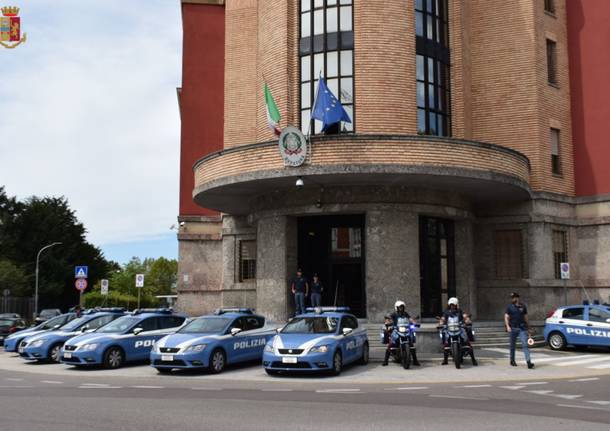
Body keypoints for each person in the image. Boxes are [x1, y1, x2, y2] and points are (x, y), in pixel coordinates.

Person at [439, 297, 477, 366]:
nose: (452, 306)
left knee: (467, 341)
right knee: (445, 341)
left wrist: (467, 320)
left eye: (453, 305)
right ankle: (445, 360)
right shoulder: (446, 312)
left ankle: (473, 359)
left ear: (456, 305)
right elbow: (443, 318)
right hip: (450, 328)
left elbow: (464, 316)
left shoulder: (459, 311)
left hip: (459, 328)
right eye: (451, 305)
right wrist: (441, 322)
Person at [385, 300, 420, 366]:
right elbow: (389, 319)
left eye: (402, 307)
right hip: (396, 329)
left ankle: (415, 360)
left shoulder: (405, 313)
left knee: (411, 344)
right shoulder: (394, 314)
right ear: (396, 307)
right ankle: (385, 361)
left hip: (405, 329)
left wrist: (414, 323)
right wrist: (388, 323)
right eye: (400, 307)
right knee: (390, 344)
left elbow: (410, 319)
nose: (401, 308)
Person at [504, 292, 534, 369]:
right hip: (513, 328)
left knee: (525, 344)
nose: (512, 299)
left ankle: (529, 362)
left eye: (514, 297)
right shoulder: (509, 307)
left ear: (517, 298)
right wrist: (507, 326)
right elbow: (506, 317)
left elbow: (526, 317)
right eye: (511, 298)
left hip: (522, 329)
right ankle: (512, 360)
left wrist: (529, 327)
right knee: (512, 346)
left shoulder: (523, 306)